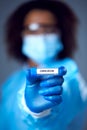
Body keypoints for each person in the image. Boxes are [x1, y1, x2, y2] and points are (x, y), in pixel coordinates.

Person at [0, 0, 87, 130]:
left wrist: (37, 112)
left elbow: (66, 93)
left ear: (61, 34)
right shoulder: (11, 82)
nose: (42, 36)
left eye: (50, 29)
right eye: (33, 29)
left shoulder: (70, 73)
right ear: (20, 34)